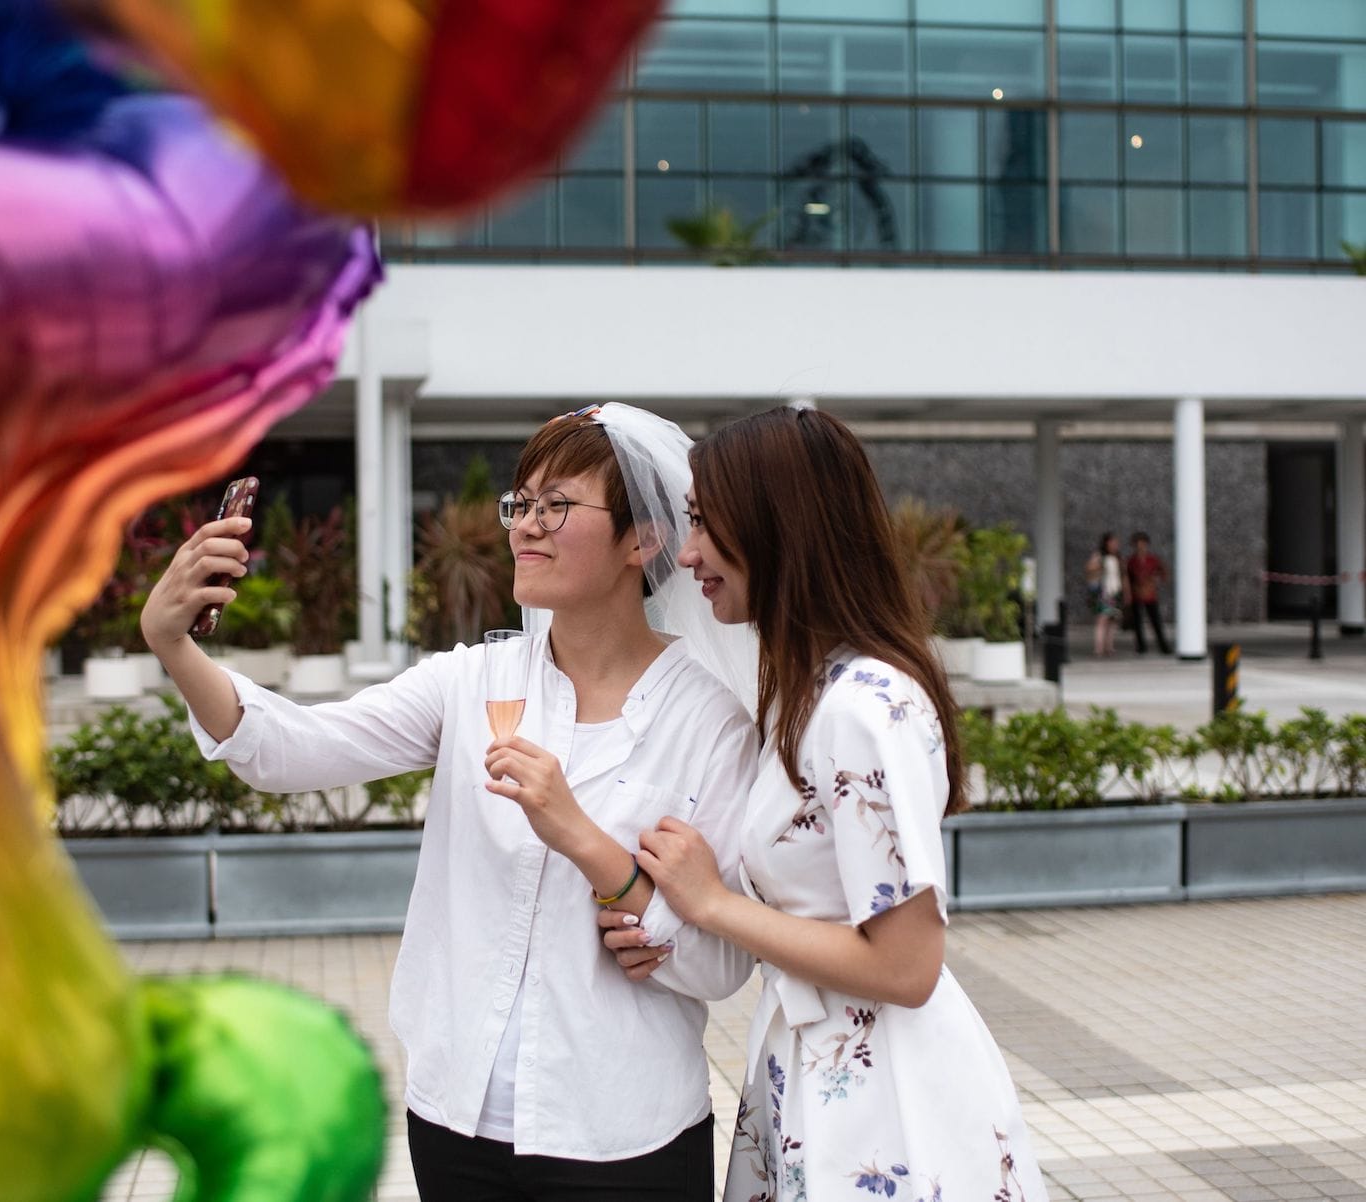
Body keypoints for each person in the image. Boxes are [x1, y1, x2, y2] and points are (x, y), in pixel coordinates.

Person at [139, 404, 759, 1201]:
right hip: (456, 1121)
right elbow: (291, 749)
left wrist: (610, 870)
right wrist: (172, 644)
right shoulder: (472, 682)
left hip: (623, 1131)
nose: (526, 527)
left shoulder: (709, 721)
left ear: (643, 538)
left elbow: (720, 966)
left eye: (556, 505)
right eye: (520, 503)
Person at [598, 407, 1049, 1202]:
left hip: (885, 1104)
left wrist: (707, 904)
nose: (689, 553)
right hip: (823, 1065)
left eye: (705, 524)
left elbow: (907, 966)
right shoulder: (810, 693)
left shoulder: (858, 709)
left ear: (781, 528)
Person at [1126, 532, 1170, 654]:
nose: (1141, 547)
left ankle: (1163, 645)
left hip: (1150, 594)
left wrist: (1156, 580)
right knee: (1137, 622)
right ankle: (1141, 646)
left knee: (1156, 621)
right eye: (1138, 545)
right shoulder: (1131, 561)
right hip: (1136, 594)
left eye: (1143, 544)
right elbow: (1127, 578)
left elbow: (1163, 572)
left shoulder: (1153, 559)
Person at [1084, 532, 1124, 658]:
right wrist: (1099, 566)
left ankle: (1109, 646)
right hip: (1104, 592)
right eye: (1112, 542)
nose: (1115, 545)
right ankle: (1099, 647)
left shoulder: (1118, 557)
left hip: (1115, 591)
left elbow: (1123, 575)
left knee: (1113, 620)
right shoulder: (1100, 556)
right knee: (1102, 619)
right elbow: (1089, 568)